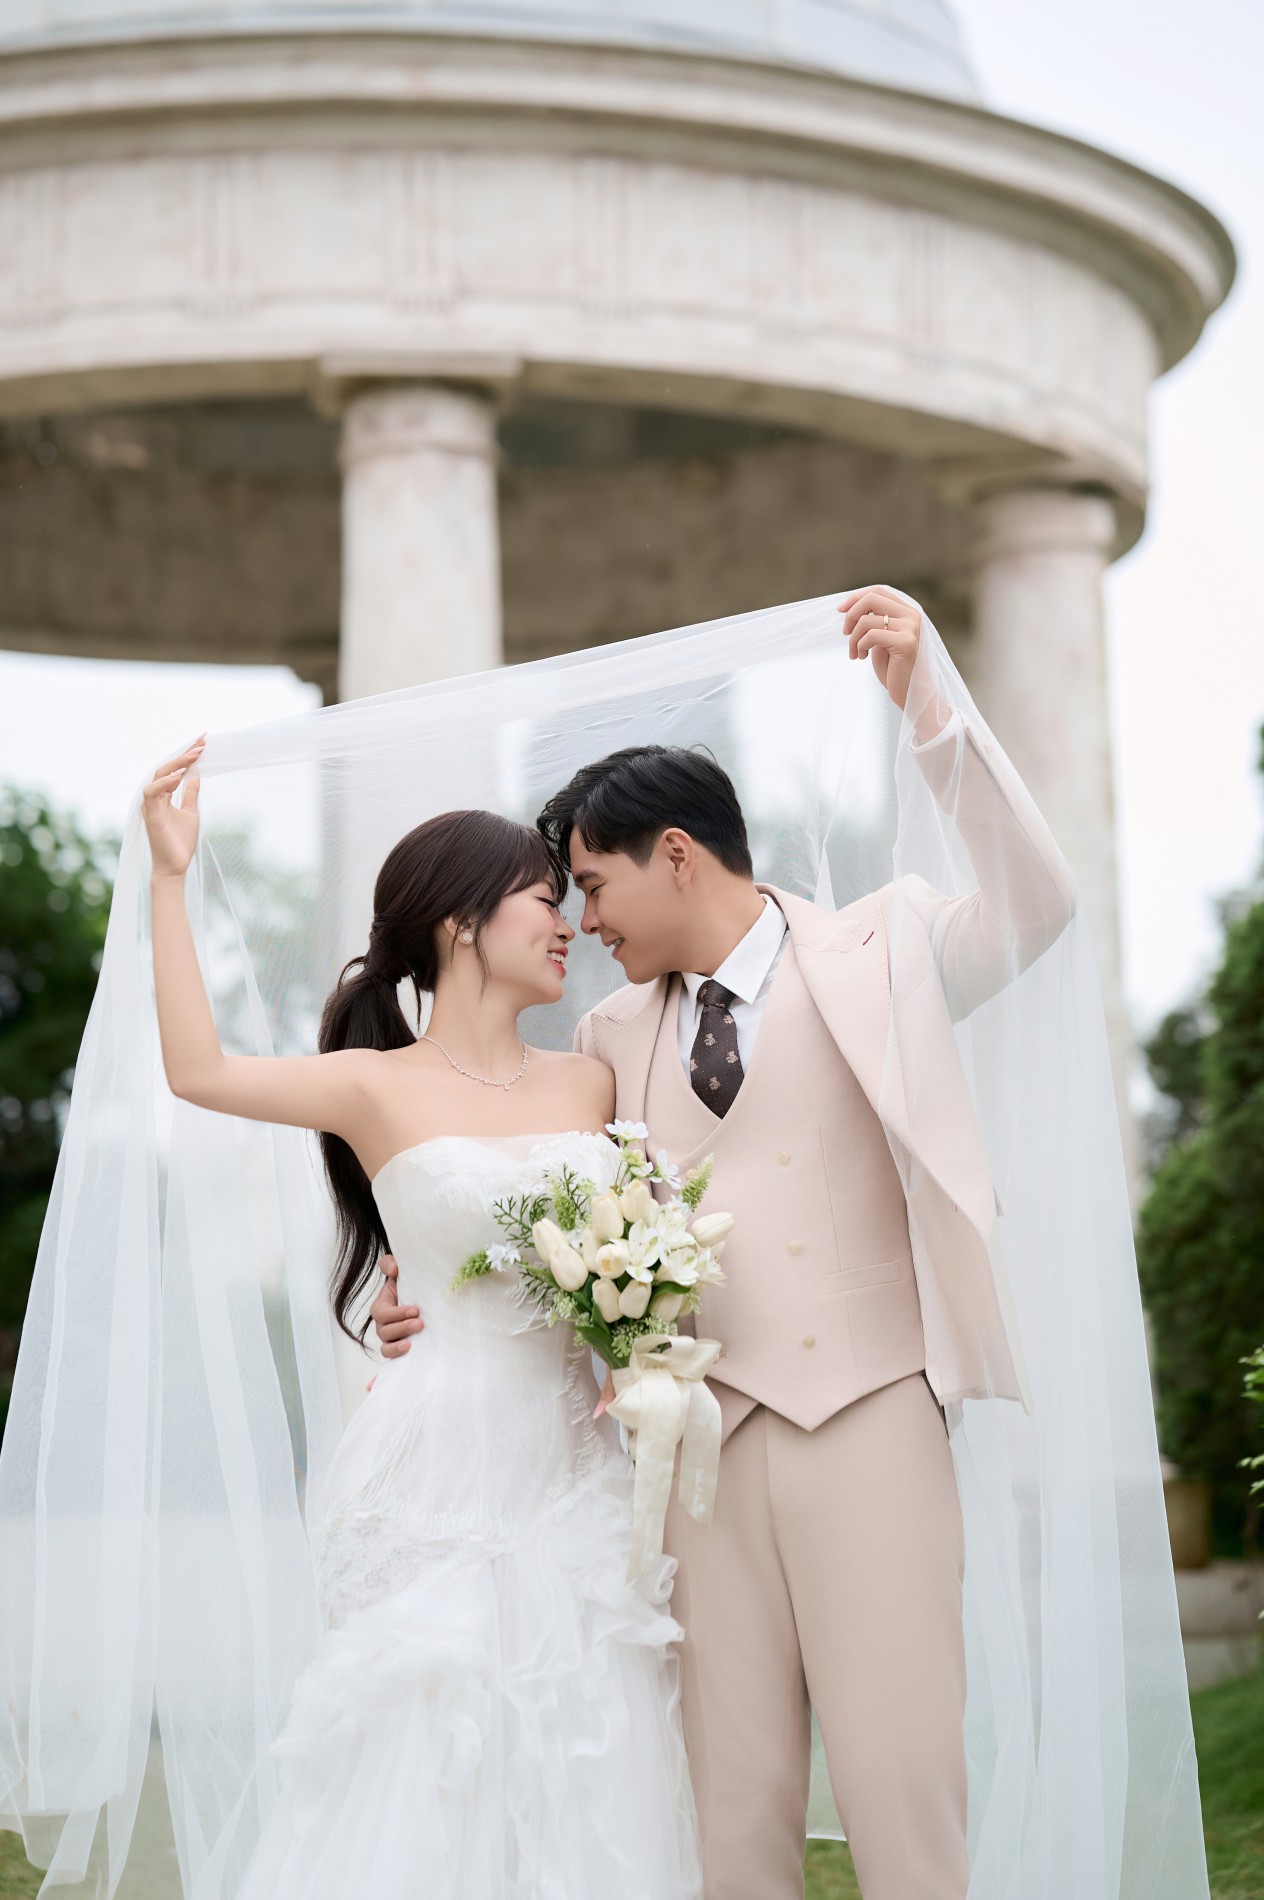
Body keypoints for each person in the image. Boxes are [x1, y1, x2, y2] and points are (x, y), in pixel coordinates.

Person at [371, 584, 1079, 1900]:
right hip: (689, 1461)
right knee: (730, 1818)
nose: (584, 924)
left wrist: (931, 706)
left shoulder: (885, 946)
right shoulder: (603, 1042)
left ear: (677, 854)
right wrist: (424, 1280)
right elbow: (511, 1184)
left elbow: (1038, 903)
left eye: (594, 885)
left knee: (902, 1792)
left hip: (871, 1417)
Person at [140, 774, 701, 1899]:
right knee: (424, 1749)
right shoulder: (370, 1085)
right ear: (460, 922)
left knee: (588, 1742)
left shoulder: (592, 1079)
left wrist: (637, 1335)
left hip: (576, 1471)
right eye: (544, 900)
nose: (568, 924)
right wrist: (167, 874)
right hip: (434, 1467)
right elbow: (197, 1071)